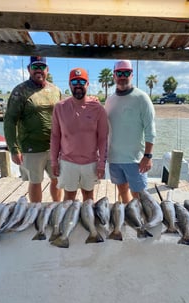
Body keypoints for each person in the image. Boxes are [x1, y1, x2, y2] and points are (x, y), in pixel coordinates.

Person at [4, 56, 62, 202]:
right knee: (35, 181)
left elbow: (64, 115)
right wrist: (13, 148)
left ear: (47, 70)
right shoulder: (20, 90)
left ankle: (57, 207)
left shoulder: (55, 90)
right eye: (35, 67)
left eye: (42, 67)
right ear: (29, 69)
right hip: (31, 147)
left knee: (58, 179)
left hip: (55, 147)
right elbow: (10, 121)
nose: (38, 70)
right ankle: (35, 212)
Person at [50, 67, 108, 201]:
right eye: (74, 82)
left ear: (87, 84)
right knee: (69, 196)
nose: (78, 86)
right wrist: (53, 161)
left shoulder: (98, 109)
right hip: (67, 162)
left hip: (90, 162)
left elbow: (103, 139)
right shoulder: (59, 107)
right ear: (69, 84)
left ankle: (88, 221)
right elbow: (55, 136)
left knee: (88, 196)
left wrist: (101, 164)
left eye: (82, 82)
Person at [105, 60, 156, 203]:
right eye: (119, 73)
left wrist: (148, 156)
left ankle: (141, 220)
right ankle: (129, 216)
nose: (122, 76)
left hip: (136, 159)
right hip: (114, 158)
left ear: (131, 75)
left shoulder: (142, 98)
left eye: (126, 73)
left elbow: (150, 129)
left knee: (139, 195)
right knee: (122, 190)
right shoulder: (109, 100)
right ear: (114, 76)